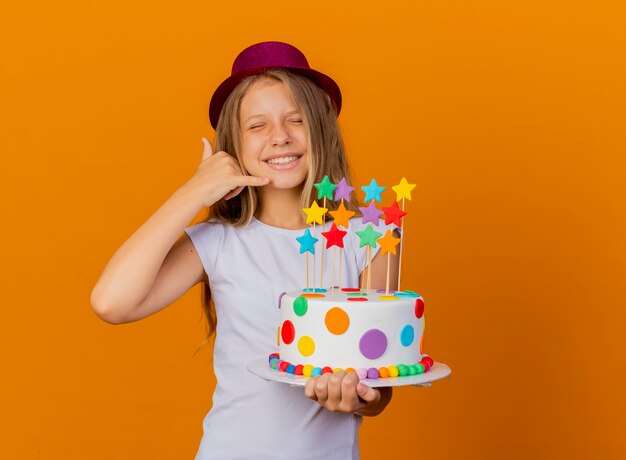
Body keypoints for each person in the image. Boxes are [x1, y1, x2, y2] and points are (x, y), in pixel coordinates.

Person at [91, 41, 400, 459]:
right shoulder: (219, 242)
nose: (280, 137)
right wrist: (194, 191)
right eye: (258, 126)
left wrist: (358, 398)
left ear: (321, 130)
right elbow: (111, 302)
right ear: (233, 144)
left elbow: (380, 388)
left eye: (297, 120)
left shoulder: (372, 238)